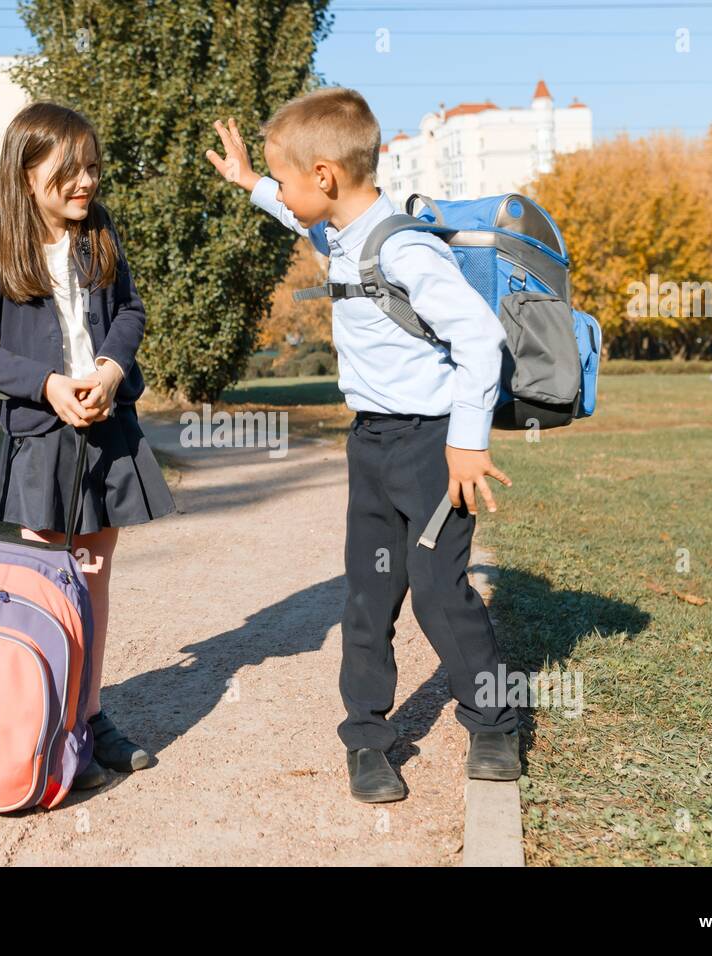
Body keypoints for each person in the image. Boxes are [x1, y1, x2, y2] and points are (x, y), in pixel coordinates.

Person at [206, 88, 521, 802]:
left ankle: (494, 722)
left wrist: (468, 443)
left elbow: (479, 336)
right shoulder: (343, 236)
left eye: (286, 178)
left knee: (440, 593)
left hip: (434, 448)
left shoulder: (404, 248)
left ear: (325, 176)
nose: (284, 193)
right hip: (371, 446)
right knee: (369, 597)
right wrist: (251, 183)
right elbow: (301, 219)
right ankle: (367, 740)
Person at [0, 101, 176, 790]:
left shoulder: (100, 235)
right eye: (70, 171)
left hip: (107, 435)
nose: (86, 183)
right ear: (26, 173)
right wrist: (45, 384)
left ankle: (90, 716)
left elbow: (131, 310)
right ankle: (42, 718)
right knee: (47, 583)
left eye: (93, 169)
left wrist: (109, 368)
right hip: (39, 442)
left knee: (95, 577)